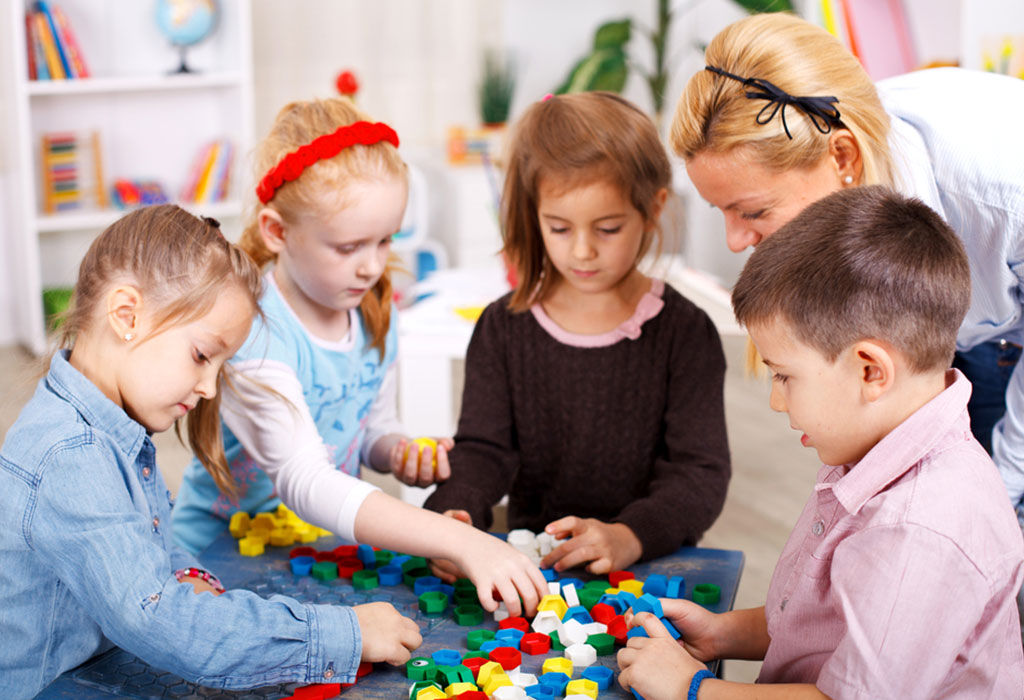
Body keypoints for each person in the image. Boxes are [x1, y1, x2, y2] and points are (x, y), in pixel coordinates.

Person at [670, 10, 1024, 634]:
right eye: (719, 211)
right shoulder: (815, 128)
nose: (732, 240)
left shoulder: (999, 187)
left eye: (751, 210)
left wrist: (999, 497)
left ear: (843, 157)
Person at [0, 206, 423, 699]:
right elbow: (157, 619)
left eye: (219, 366)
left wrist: (189, 575)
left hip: (101, 664)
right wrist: (343, 634)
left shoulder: (112, 425)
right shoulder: (71, 453)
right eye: (202, 355)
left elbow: (150, 543)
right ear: (126, 315)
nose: (207, 388)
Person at [618, 186, 1024, 700]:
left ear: (870, 370)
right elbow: (822, 623)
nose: (776, 401)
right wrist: (721, 632)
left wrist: (693, 690)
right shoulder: (874, 444)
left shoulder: (917, 529)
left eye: (784, 377)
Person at [170, 97, 547, 615]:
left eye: (385, 240)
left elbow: (367, 427)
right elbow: (305, 478)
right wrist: (457, 540)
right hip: (220, 559)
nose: (371, 267)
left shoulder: (371, 311)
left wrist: (395, 452)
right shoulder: (252, 331)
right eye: (348, 248)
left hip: (318, 553)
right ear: (277, 232)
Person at [423, 91, 731, 576]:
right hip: (537, 570)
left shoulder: (686, 333)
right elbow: (483, 450)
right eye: (559, 228)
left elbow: (699, 475)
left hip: (649, 565)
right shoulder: (503, 328)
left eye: (608, 228)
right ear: (534, 213)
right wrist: (455, 513)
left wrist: (630, 536)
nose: (583, 251)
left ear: (654, 209)